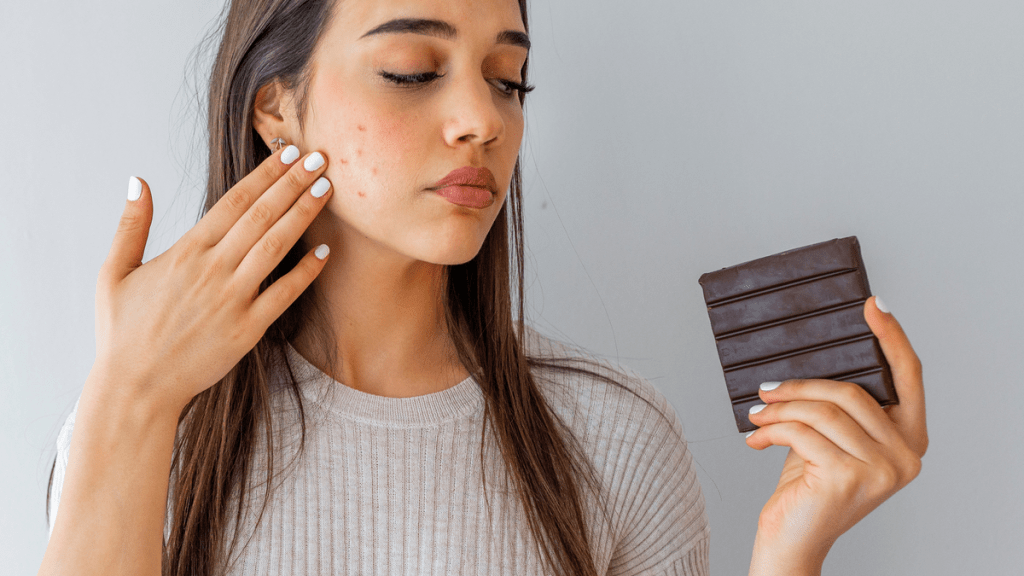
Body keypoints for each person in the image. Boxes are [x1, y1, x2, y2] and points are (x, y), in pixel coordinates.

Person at [37, 0, 929, 575]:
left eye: (508, 81)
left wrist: (790, 552)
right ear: (276, 107)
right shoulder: (150, 427)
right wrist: (132, 395)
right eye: (413, 72)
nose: (481, 120)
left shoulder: (614, 438)